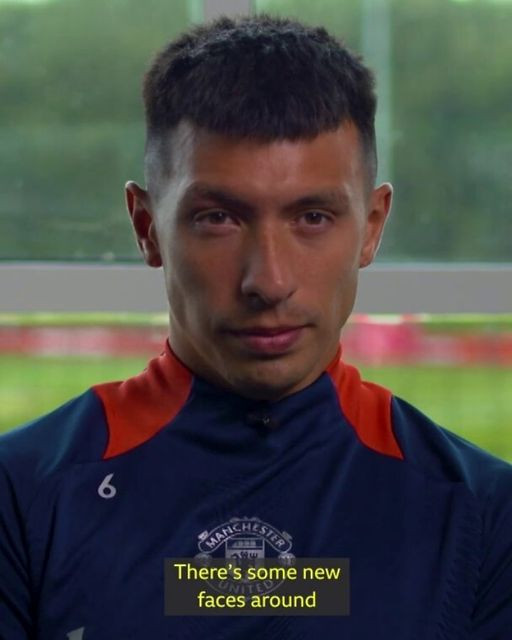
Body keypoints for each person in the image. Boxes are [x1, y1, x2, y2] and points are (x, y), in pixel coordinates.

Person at [1, 13, 511, 639]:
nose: (268, 281)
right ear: (146, 227)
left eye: (313, 217)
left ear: (372, 226)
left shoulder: (486, 515)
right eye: (218, 218)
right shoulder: (19, 498)